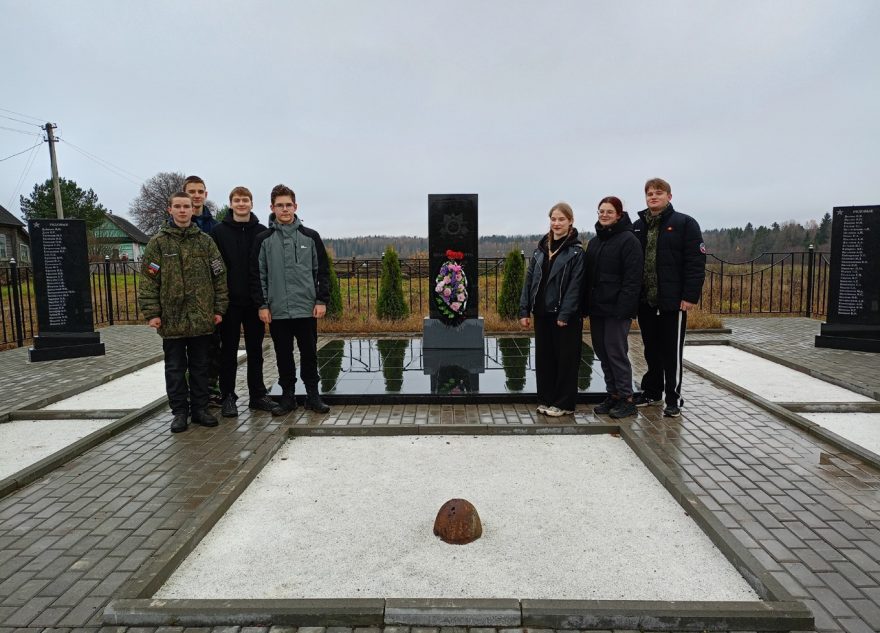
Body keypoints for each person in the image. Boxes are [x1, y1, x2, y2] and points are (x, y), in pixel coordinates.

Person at [139, 192, 228, 433]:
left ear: (192, 209)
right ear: (169, 209)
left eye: (186, 206)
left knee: (201, 366)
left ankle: (200, 409)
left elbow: (219, 277)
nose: (182, 211)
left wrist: (219, 309)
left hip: (201, 319)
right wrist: (152, 313)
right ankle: (180, 412)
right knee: (175, 369)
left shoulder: (205, 242)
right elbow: (149, 280)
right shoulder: (158, 243)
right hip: (172, 320)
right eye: (177, 206)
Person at [252, 184, 331, 415]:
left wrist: (321, 300)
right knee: (283, 355)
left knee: (309, 354)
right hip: (277, 311)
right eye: (280, 205)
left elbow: (322, 271)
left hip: (307, 309)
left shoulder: (310, 236)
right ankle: (288, 397)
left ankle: (313, 396)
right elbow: (258, 275)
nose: (284, 209)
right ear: (272, 208)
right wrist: (263, 305)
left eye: (288, 205)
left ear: (295, 206)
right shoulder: (263, 239)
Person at [632, 178, 706, 417]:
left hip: (672, 301)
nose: (653, 197)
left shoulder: (685, 223)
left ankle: (673, 397)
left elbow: (695, 263)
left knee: (671, 352)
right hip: (646, 301)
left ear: (669, 197)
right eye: (649, 194)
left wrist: (689, 296)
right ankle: (652, 392)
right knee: (650, 350)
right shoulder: (638, 226)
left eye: (658, 193)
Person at [210, 186, 275, 418]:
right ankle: (228, 396)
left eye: (245, 200)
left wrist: (263, 300)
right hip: (228, 302)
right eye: (237, 200)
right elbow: (214, 266)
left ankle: (257, 395)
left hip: (254, 301)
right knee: (228, 352)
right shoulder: (218, 232)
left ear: (251, 203)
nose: (241, 204)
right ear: (230, 204)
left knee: (256, 350)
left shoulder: (262, 231)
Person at [518, 202, 585, 417]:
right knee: (545, 358)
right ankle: (546, 399)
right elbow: (528, 282)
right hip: (542, 313)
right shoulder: (540, 251)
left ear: (570, 221)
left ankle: (564, 403)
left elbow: (575, 286)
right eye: (553, 219)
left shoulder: (576, 253)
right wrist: (524, 311)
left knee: (565, 359)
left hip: (563, 316)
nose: (556, 223)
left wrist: (565, 314)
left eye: (561, 219)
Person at [583, 196, 644, 418]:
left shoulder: (629, 240)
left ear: (619, 214)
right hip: (598, 308)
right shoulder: (595, 241)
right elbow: (589, 278)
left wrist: (624, 308)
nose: (604, 215)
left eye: (609, 211)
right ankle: (614, 395)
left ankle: (627, 398)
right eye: (601, 211)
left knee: (616, 352)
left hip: (618, 310)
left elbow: (632, 279)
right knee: (602, 352)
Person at [183, 175, 222, 404]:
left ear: (205, 195)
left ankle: (210, 389)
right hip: (183, 299)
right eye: (191, 191)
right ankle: (190, 394)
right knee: (186, 352)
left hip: (209, 299)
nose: (196, 196)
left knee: (212, 349)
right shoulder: (172, 226)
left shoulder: (215, 228)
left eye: (200, 191)